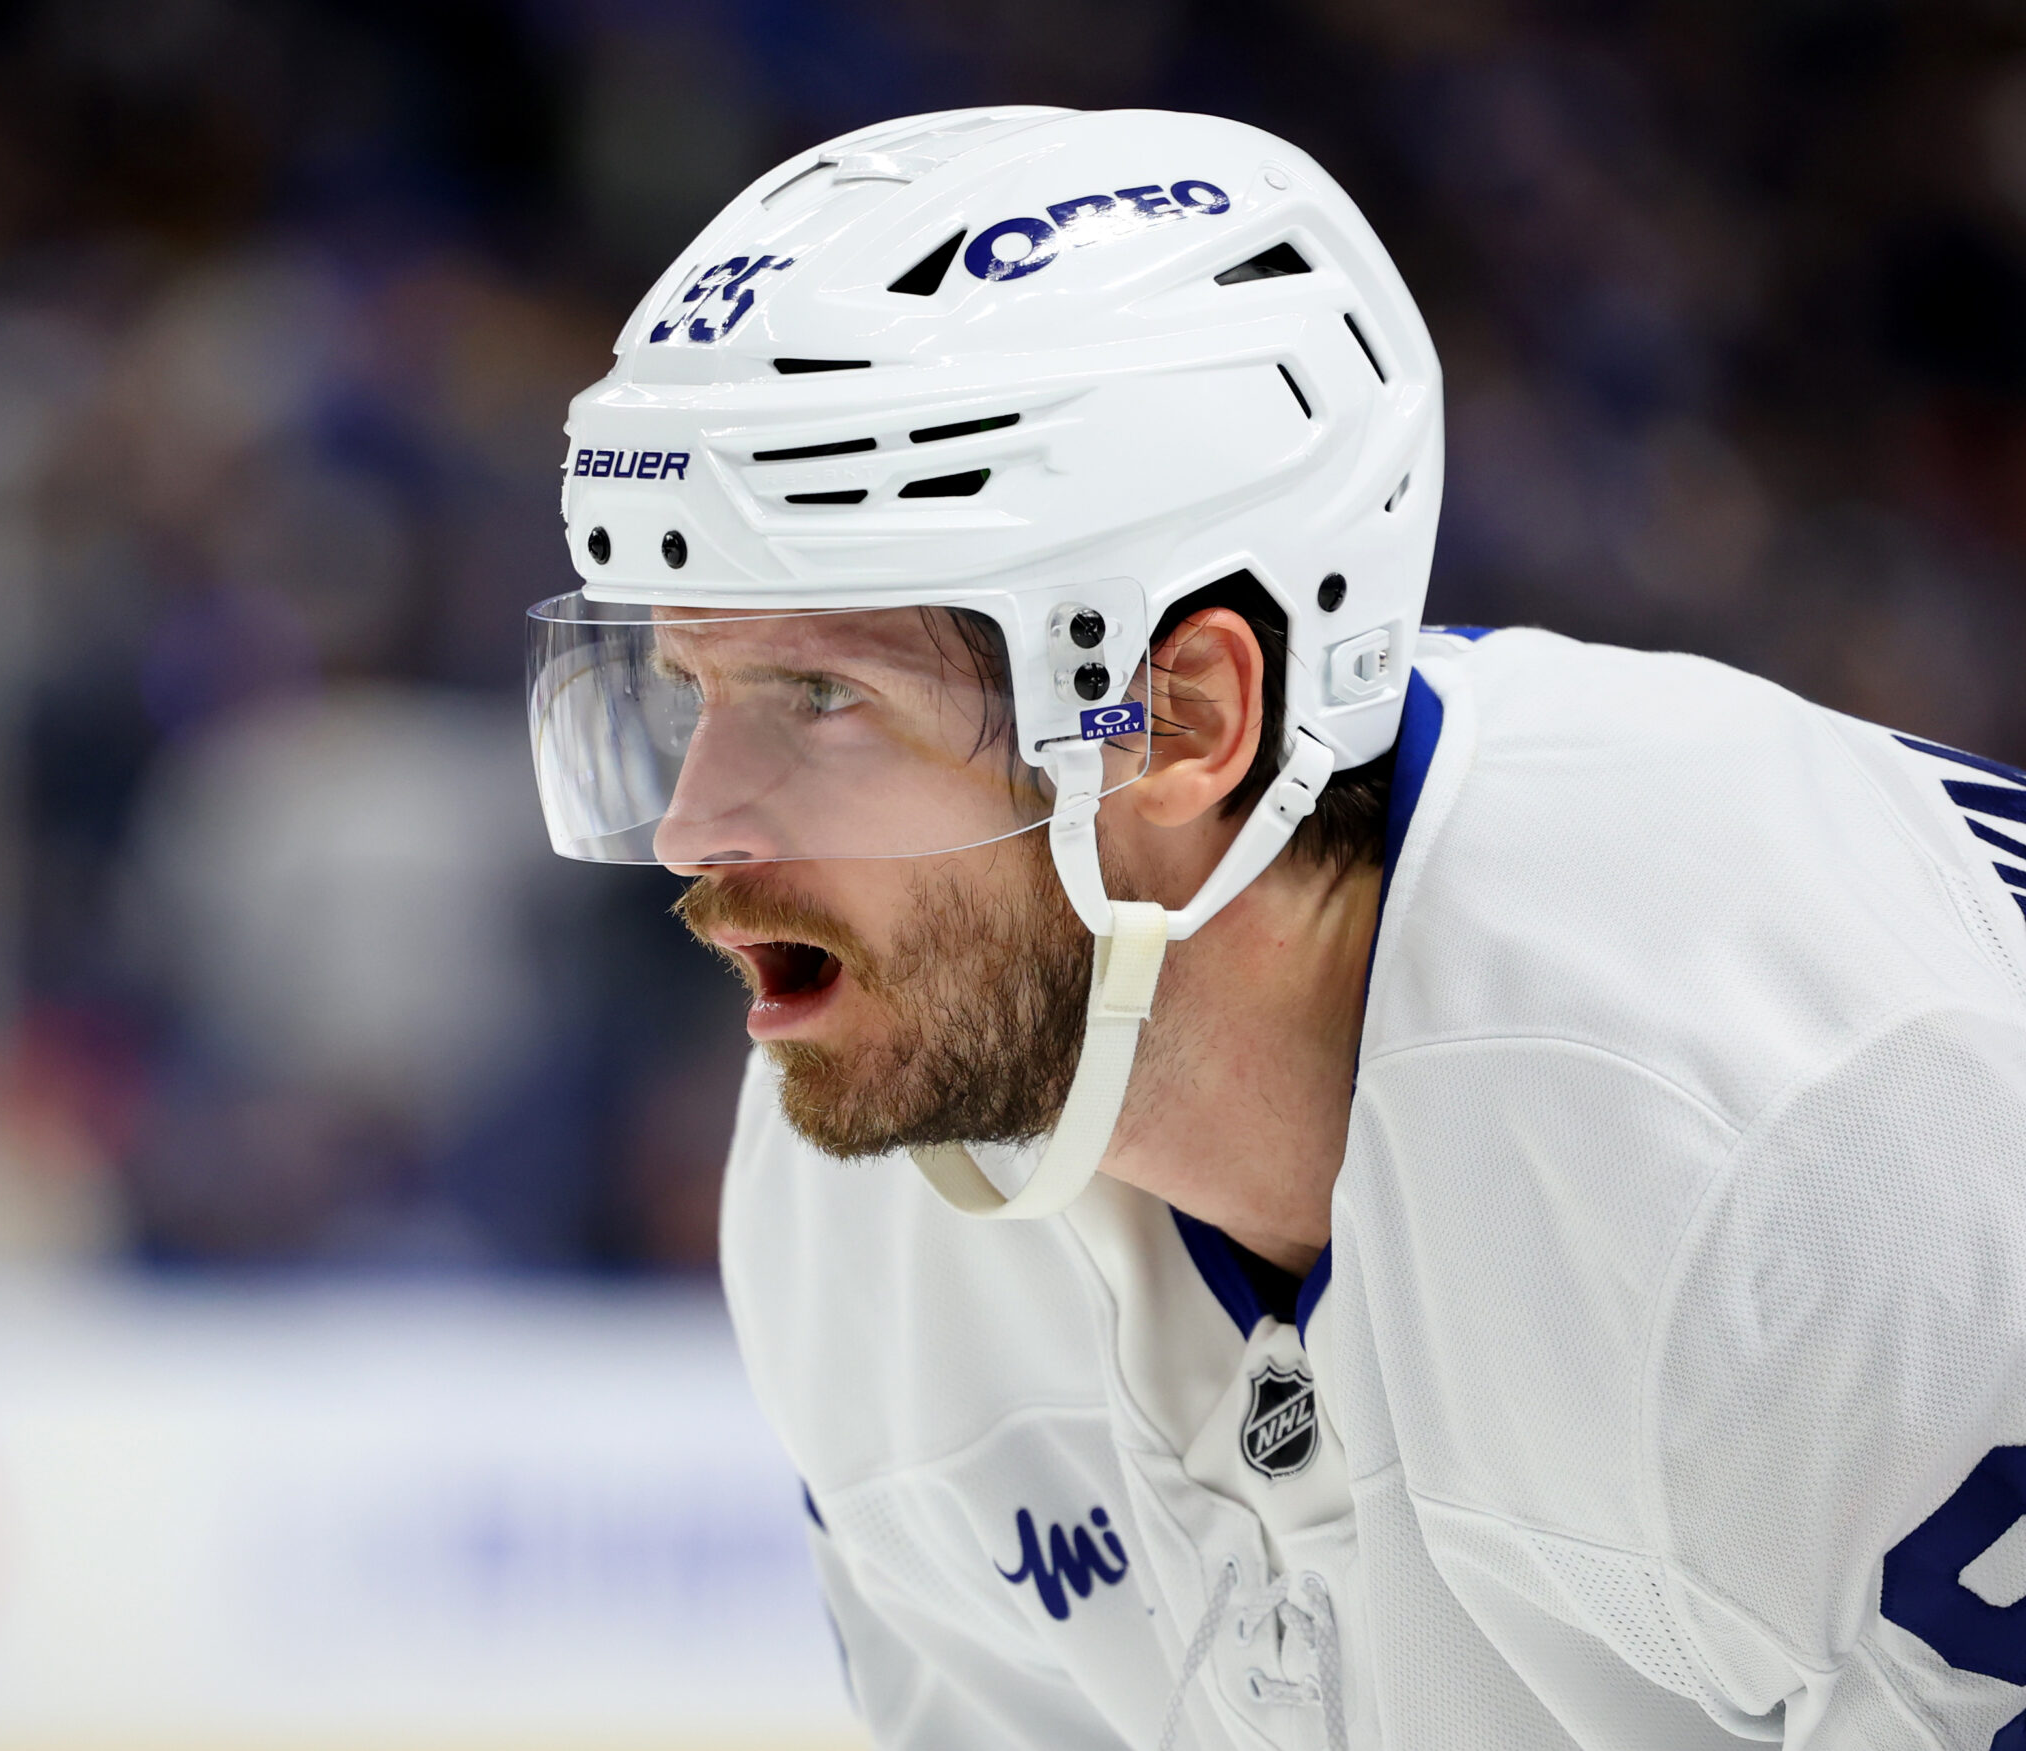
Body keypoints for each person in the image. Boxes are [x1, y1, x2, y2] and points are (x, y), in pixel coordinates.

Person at [522, 106, 2026, 1750]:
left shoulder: (1803, 1140)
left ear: (1181, 720)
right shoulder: (863, 1187)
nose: (691, 826)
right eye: (688, 688)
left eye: (823, 695)